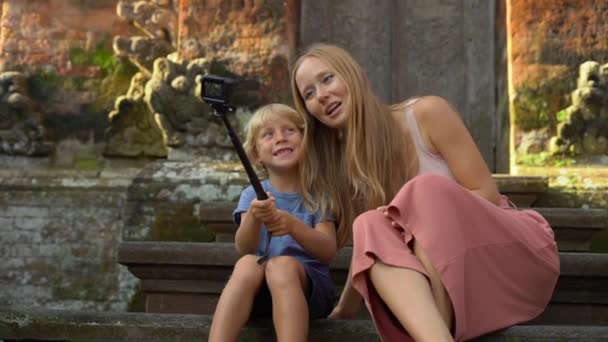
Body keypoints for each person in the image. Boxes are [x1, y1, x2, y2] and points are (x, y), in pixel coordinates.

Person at [291, 43, 560, 342]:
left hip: (503, 256)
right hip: (445, 286)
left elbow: (487, 194)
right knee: (368, 222)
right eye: (309, 94)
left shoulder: (426, 113)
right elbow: (370, 249)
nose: (322, 95)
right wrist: (344, 310)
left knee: (423, 191)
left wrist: (416, 214)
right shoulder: (350, 167)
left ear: (352, 75)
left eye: (327, 79)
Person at [208, 103, 337, 342]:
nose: (280, 138)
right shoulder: (252, 195)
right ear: (256, 154)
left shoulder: (319, 196)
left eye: (289, 131)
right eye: (268, 134)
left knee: (283, 266)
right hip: (260, 294)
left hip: (310, 293)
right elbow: (244, 248)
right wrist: (254, 219)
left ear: (305, 141)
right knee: (247, 263)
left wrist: (292, 226)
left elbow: (328, 250)